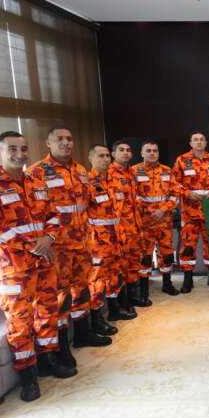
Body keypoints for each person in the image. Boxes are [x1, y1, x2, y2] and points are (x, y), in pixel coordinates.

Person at [0, 131, 75, 402]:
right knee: (20, 322)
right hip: (13, 268)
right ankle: (27, 376)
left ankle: (48, 361)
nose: (19, 154)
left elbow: (55, 214)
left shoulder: (37, 183)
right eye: (12, 149)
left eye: (23, 148)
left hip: (44, 262)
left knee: (47, 311)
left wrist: (49, 238)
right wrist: (35, 244)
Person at [26, 126, 110, 359]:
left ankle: (83, 334)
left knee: (82, 289)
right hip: (57, 248)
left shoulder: (80, 169)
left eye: (69, 139)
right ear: (48, 143)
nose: (66, 143)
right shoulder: (36, 173)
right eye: (60, 139)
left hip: (82, 243)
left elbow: (87, 204)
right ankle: (62, 348)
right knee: (61, 297)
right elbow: (34, 214)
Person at [87, 144, 134, 339]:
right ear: (91, 158)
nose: (105, 159)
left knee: (115, 275)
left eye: (107, 155)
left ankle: (114, 308)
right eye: (101, 156)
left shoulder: (113, 180)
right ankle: (96, 319)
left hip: (116, 237)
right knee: (97, 281)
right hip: (98, 241)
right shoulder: (86, 182)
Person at [173, 131, 209, 292]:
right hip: (189, 211)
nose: (199, 142)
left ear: (206, 143)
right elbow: (173, 183)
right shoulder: (182, 160)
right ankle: (188, 279)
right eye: (195, 140)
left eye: (202, 139)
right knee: (188, 246)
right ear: (190, 143)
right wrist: (187, 193)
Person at [132, 140, 180, 298]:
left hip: (164, 222)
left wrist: (163, 209)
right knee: (144, 256)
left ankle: (167, 284)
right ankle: (144, 291)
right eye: (148, 150)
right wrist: (151, 210)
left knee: (167, 254)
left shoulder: (167, 171)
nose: (152, 153)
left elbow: (175, 195)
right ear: (142, 153)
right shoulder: (134, 171)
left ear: (158, 153)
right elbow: (132, 196)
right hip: (144, 222)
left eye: (155, 150)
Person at [108, 139, 147, 308]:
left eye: (128, 150)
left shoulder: (132, 172)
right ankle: (120, 302)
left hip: (134, 226)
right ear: (113, 154)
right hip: (118, 229)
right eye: (121, 150)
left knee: (132, 262)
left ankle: (132, 296)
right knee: (119, 266)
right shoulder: (108, 174)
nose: (125, 152)